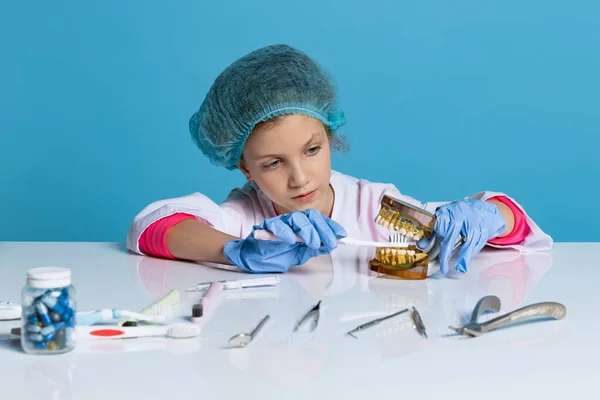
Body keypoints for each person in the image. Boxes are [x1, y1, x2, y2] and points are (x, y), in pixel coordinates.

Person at [126, 44, 552, 275]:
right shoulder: (246, 217)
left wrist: (490, 216)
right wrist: (235, 250)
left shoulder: (376, 205)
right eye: (273, 163)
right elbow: (152, 226)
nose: (299, 178)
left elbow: (510, 220)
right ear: (244, 167)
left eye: (312, 150)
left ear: (331, 137)